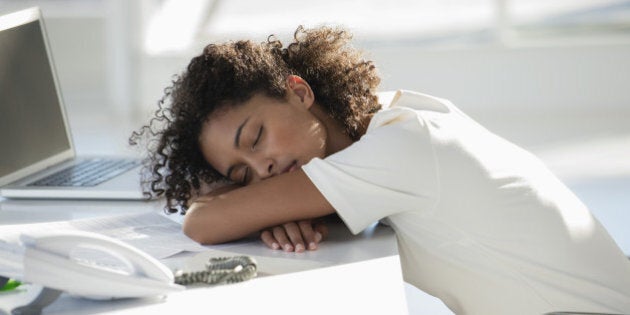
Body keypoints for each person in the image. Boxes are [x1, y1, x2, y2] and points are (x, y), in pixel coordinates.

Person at [131, 26, 630, 314]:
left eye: (255, 137)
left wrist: (244, 205)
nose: (263, 169)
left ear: (299, 91)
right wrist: (277, 206)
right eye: (242, 176)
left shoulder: (396, 151)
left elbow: (201, 223)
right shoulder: (392, 117)